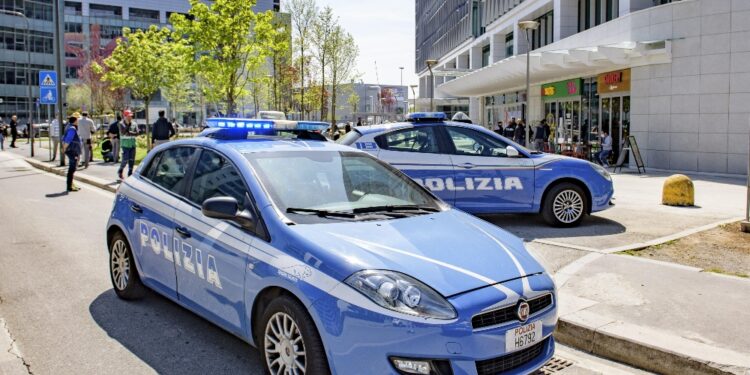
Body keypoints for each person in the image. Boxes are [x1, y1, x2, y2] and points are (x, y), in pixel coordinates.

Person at [61, 116, 82, 192]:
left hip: (71, 149)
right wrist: (64, 148)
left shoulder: (68, 127)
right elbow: (68, 139)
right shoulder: (72, 129)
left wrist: (64, 147)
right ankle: (69, 186)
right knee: (72, 168)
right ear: (75, 121)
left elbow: (63, 138)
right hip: (72, 150)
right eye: (78, 120)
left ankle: (71, 184)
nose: (78, 121)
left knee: (72, 167)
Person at [117, 110, 138, 180]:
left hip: (132, 145)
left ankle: (130, 174)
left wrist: (129, 132)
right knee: (125, 160)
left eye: (131, 116)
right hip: (125, 145)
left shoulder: (134, 123)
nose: (130, 117)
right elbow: (123, 133)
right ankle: (120, 170)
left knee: (132, 160)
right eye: (129, 116)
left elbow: (137, 133)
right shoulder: (121, 124)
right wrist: (128, 126)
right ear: (125, 116)